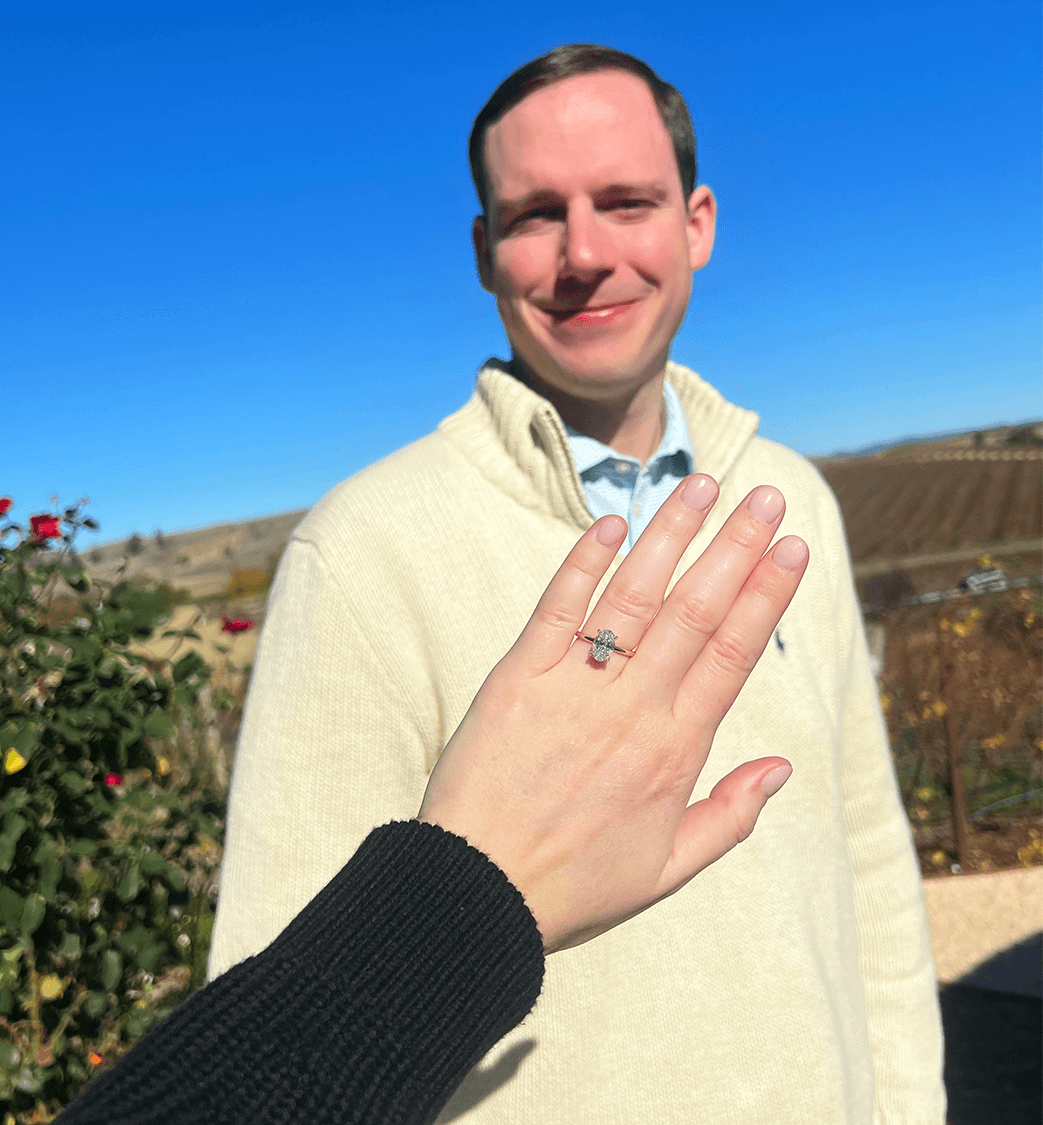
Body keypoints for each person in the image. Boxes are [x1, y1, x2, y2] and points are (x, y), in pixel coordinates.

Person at [210, 45, 945, 1123]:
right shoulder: (366, 549)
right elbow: (284, 993)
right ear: (483, 252)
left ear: (698, 222)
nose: (584, 254)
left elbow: (870, 861)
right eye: (535, 214)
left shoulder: (793, 501)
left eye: (627, 201)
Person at [58, 486, 806, 1124]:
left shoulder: (799, 492)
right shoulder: (352, 538)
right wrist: (470, 896)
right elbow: (266, 921)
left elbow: (864, 867)